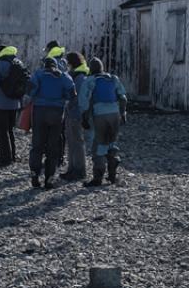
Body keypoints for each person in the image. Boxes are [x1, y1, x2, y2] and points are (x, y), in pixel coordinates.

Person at [78, 57, 128, 186]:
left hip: (100, 114)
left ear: (91, 69)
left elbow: (84, 101)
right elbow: (123, 98)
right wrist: (123, 114)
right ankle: (112, 175)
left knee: (99, 145)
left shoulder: (90, 81)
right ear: (102, 68)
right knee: (111, 142)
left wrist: (84, 118)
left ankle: (97, 178)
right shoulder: (113, 79)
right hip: (114, 113)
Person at [28, 56, 74, 189]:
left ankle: (35, 174)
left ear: (44, 65)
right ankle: (49, 178)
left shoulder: (38, 74)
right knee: (53, 147)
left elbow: (30, 90)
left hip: (40, 112)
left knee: (37, 145)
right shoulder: (63, 76)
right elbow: (72, 93)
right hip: (57, 112)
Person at [60, 51, 89, 182]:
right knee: (71, 142)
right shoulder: (77, 75)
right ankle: (72, 168)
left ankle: (79, 170)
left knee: (77, 142)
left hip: (75, 114)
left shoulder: (79, 77)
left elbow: (78, 97)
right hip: (72, 113)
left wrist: (68, 104)